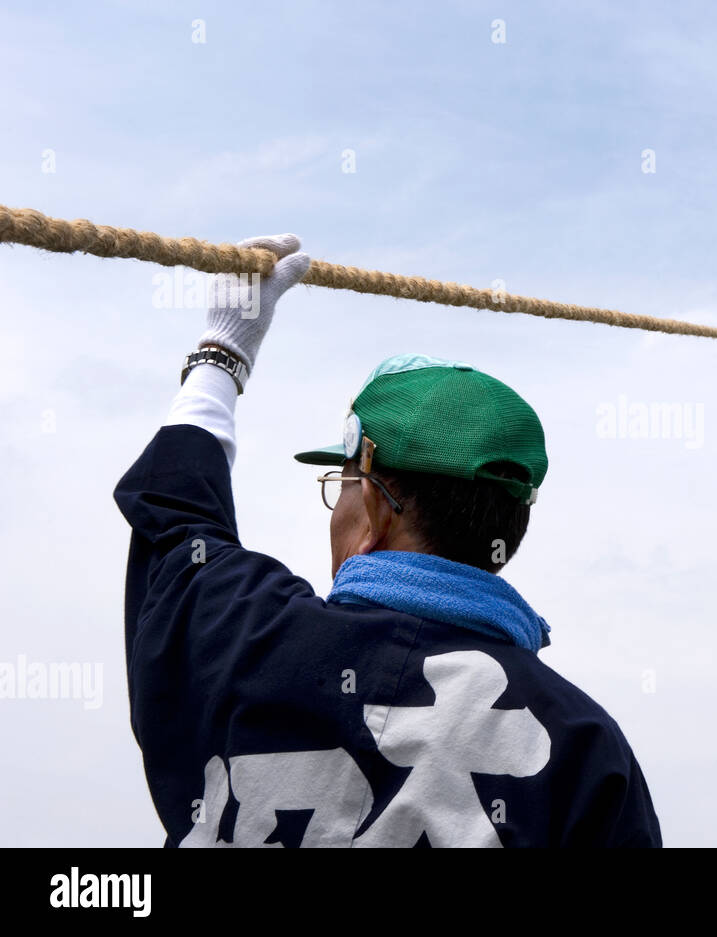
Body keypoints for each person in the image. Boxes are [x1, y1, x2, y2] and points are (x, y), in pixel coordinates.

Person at [112, 234, 662, 847]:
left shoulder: (246, 637)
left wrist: (222, 354)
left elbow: (175, 511)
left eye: (342, 483)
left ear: (374, 507)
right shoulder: (586, 748)